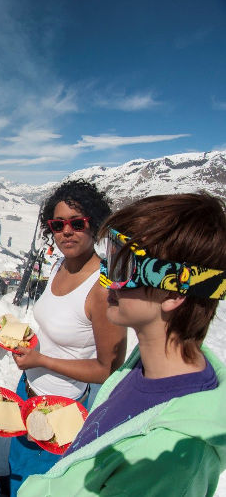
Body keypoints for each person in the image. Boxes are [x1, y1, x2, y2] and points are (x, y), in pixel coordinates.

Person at [20, 192, 226, 496]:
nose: (105, 277)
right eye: (112, 258)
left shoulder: (165, 460)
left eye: (123, 267)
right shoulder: (143, 367)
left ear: (173, 293)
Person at [5, 179, 127, 496]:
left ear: (95, 225)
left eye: (77, 222)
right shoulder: (60, 264)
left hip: (60, 406)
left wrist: (41, 359)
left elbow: (108, 368)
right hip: (28, 386)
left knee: (42, 481)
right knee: (19, 460)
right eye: (58, 224)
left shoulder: (102, 289)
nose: (66, 232)